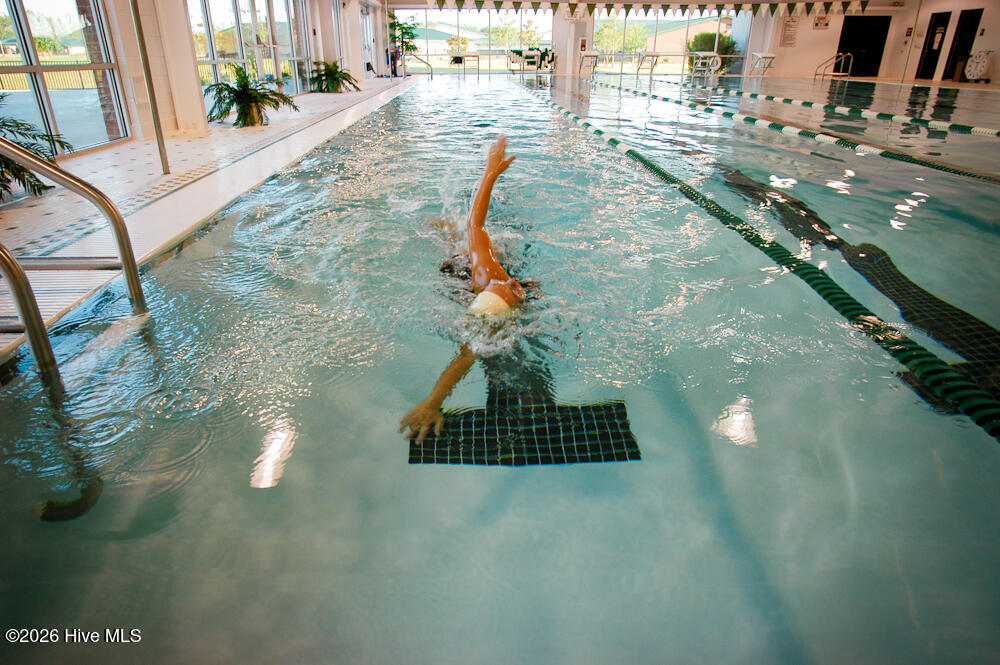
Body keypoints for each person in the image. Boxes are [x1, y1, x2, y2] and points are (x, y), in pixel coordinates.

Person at [400, 135, 527, 443]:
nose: (513, 284)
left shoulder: (489, 283)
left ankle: (448, 234)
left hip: (465, 277)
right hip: (466, 278)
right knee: (462, 246)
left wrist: (490, 173)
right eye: (511, 289)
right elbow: (466, 355)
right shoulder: (491, 285)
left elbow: (475, 225)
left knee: (459, 244)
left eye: (509, 287)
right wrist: (490, 174)